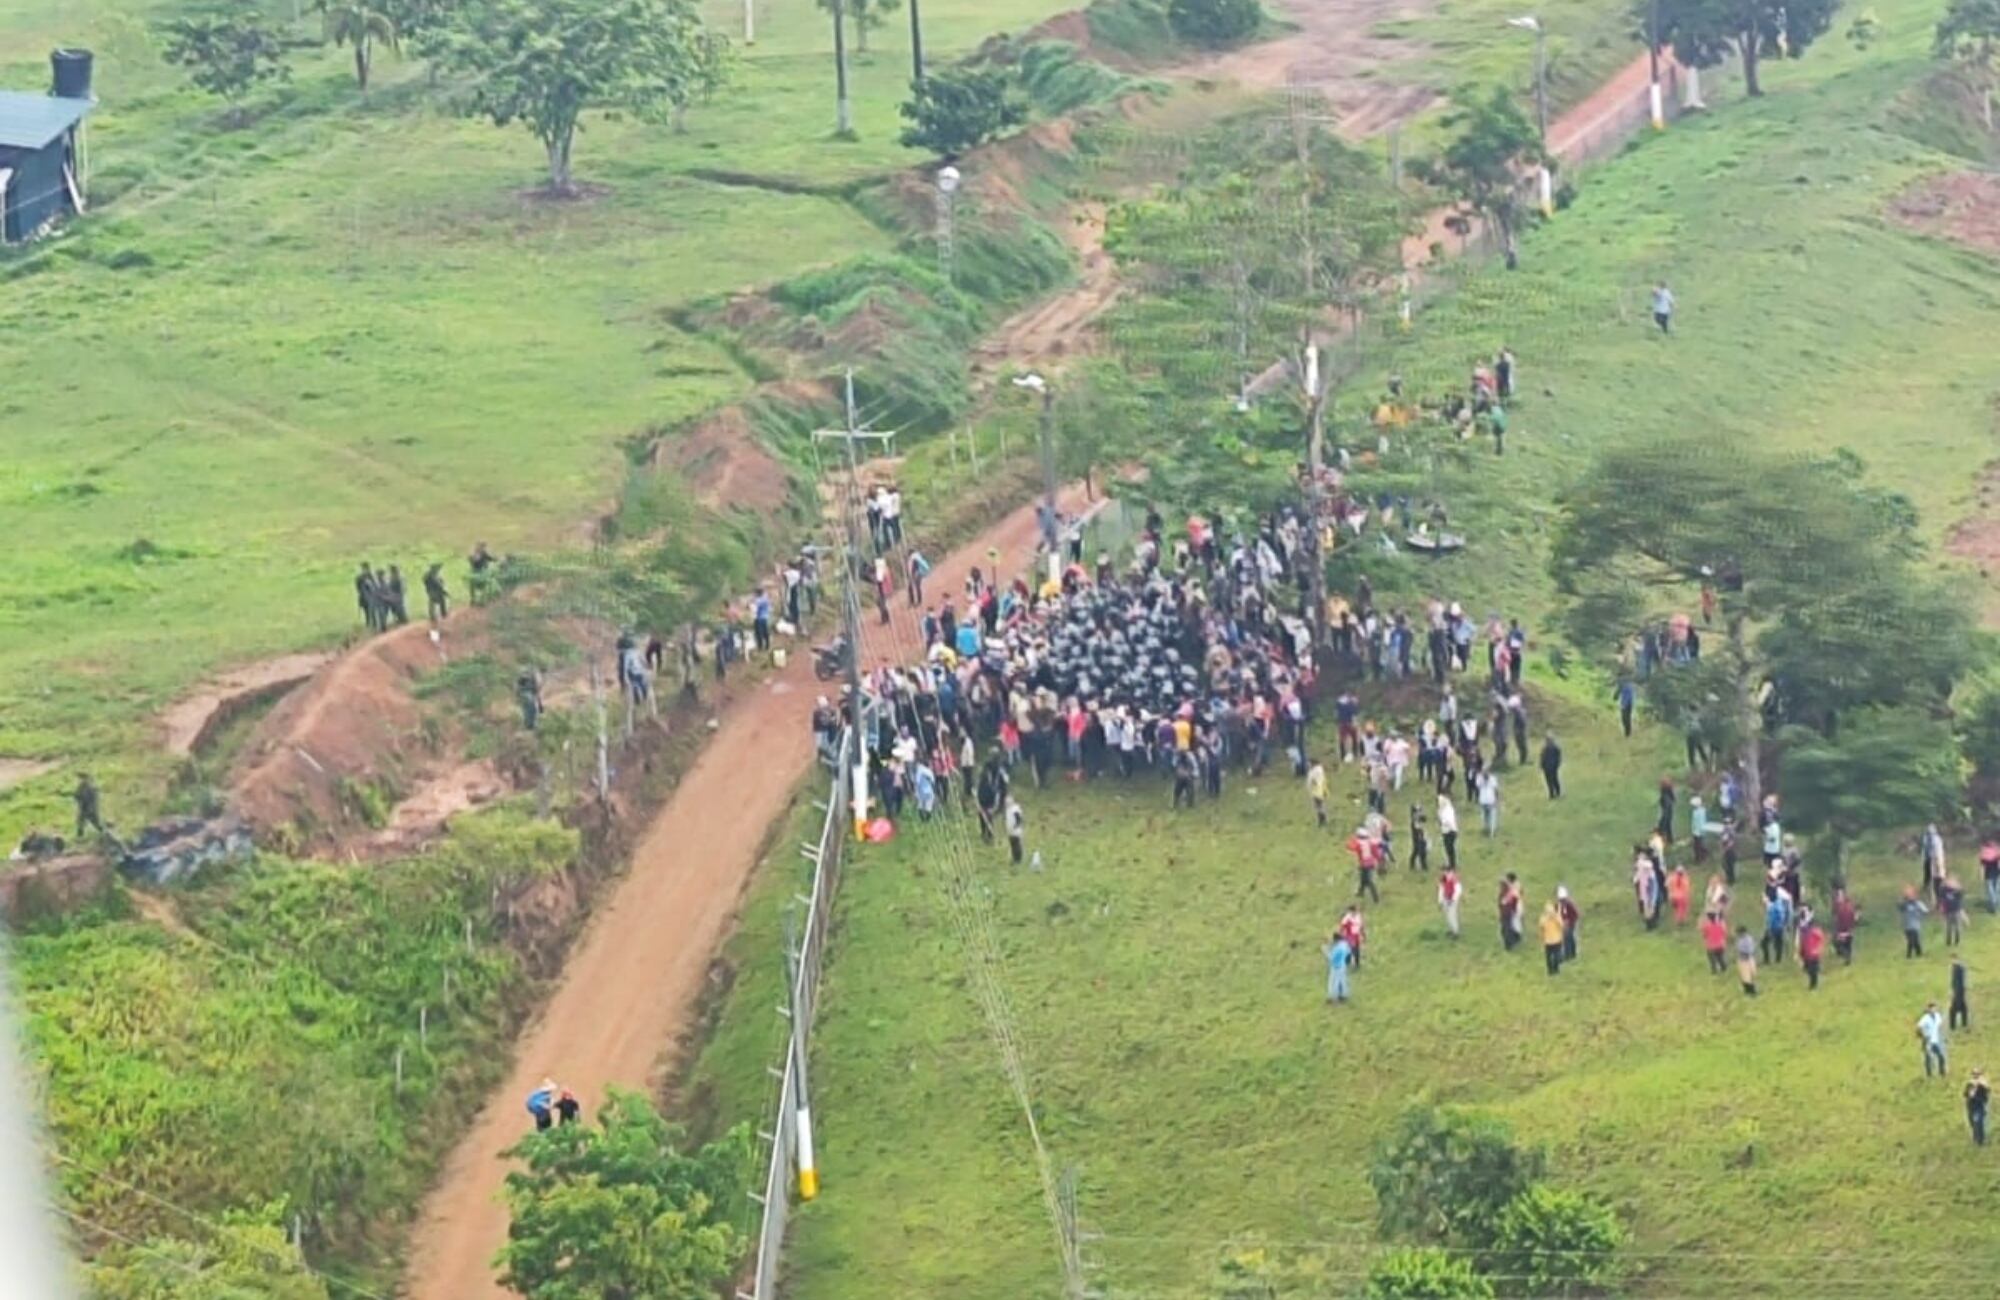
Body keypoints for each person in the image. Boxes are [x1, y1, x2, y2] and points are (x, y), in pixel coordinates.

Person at [1919, 1002, 1950, 1078]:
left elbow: (1939, 1026)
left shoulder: (1937, 1016)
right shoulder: (1925, 1018)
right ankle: (1929, 1075)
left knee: (1941, 1056)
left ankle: (1942, 1072)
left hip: (1935, 1041)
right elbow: (1918, 1027)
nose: (1933, 1010)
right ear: (1928, 1009)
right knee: (1928, 1058)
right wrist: (1923, 1036)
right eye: (1931, 1008)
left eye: (1934, 1008)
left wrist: (1943, 1037)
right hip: (1927, 1041)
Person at [72, 774, 105, 840]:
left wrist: (91, 808)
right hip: (83, 808)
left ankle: (104, 833)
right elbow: (77, 796)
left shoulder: (91, 788)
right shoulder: (81, 787)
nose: (80, 780)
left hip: (89, 808)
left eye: (82, 778)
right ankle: (79, 837)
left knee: (95, 823)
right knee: (81, 823)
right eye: (80, 778)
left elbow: (93, 799)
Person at [1325, 931, 1354, 1004]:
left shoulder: (1337, 948)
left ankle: (1333, 998)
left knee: (1334, 982)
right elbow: (1348, 952)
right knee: (1343, 981)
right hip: (1343, 965)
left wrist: (1325, 951)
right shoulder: (1344, 944)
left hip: (1336, 967)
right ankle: (1344, 995)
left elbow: (1331, 958)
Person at [1901, 887, 1930, 959]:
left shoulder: (1918, 903)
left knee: (1912, 940)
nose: (1911, 897)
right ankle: (1919, 954)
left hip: (1915, 925)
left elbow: (1925, 911)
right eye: (1909, 895)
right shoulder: (1905, 904)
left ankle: (1909, 955)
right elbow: (1900, 907)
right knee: (1915, 941)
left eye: (1912, 895)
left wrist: (1921, 913)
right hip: (1906, 925)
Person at [1832, 886, 1859, 964]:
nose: (1838, 897)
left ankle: (1847, 957)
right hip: (1845, 929)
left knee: (1843, 944)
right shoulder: (1841, 905)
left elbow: (1852, 916)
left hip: (1845, 929)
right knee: (1845, 944)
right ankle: (1847, 957)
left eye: (1840, 895)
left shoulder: (1845, 906)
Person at [1539, 901, 1566, 975]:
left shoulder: (1557, 917)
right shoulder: (1543, 919)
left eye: (1551, 911)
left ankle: (1556, 969)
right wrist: (1542, 939)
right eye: (1548, 912)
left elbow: (1562, 926)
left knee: (1557, 956)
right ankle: (1550, 971)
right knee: (1548, 958)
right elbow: (1541, 928)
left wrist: (1555, 918)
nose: (1550, 913)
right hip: (1548, 941)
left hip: (1557, 940)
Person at [1799, 918, 1826, 990]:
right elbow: (1820, 942)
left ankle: (1813, 985)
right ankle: (1814, 983)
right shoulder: (1809, 933)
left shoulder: (1809, 933)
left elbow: (1804, 944)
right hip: (1812, 954)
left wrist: (1802, 953)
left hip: (1811, 955)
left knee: (1811, 970)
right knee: (1811, 970)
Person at [1498, 874, 1523, 950]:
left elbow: (1509, 902)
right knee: (1506, 929)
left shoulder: (1509, 893)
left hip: (1507, 913)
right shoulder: (1505, 892)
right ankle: (1512, 941)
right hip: (1506, 913)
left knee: (1507, 929)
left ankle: (1510, 944)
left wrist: (1513, 909)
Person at [1966, 1069, 1991, 1146]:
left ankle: (1981, 1141)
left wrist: (1981, 1085)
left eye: (1977, 1074)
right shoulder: (1970, 1084)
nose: (1975, 1076)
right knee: (1972, 1123)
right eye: (1974, 1074)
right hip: (1971, 1107)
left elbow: (1987, 1092)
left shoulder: (1983, 1085)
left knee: (1978, 1122)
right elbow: (1966, 1095)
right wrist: (1971, 1091)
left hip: (1980, 1107)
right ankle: (1975, 1138)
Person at [1942, 875, 1967, 947]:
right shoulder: (1944, 890)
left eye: (1952, 882)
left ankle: (1957, 941)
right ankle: (1948, 942)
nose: (1950, 884)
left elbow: (1962, 893)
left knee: (1957, 927)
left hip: (1956, 911)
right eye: (1948, 882)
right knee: (1948, 928)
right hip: (1948, 911)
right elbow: (1941, 896)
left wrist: (1957, 887)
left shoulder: (1958, 891)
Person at [356, 562, 381, 633]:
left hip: (371, 597)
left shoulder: (371, 576)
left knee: (372, 612)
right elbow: (358, 589)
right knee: (366, 612)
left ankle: (374, 625)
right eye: (364, 569)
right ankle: (369, 624)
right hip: (364, 597)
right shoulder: (359, 578)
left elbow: (375, 586)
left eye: (366, 568)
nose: (365, 570)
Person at [1702, 911, 1730, 975]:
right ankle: (1724, 968)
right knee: (1721, 957)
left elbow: (1704, 935)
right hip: (1720, 944)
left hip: (1711, 946)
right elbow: (1724, 933)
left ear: (1709, 918)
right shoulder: (1720, 925)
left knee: (1712, 960)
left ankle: (1714, 971)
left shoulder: (1707, 926)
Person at [1438, 866, 1463, 938]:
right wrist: (1440, 901)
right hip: (1446, 899)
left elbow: (1458, 890)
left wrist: (1453, 899)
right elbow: (1441, 890)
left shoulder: (1454, 879)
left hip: (1452, 901)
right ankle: (1450, 930)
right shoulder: (1443, 879)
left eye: (1446, 871)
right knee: (1447, 916)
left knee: (1452, 916)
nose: (1445, 873)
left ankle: (1456, 932)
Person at [1438, 793, 1461, 869]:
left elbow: (1448, 821)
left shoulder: (1448, 809)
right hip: (1446, 831)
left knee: (1450, 848)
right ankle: (1449, 863)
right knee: (1447, 848)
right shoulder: (1443, 810)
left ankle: (1451, 864)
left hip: (1450, 831)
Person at [1557, 886, 1580, 961]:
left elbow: (1576, 914)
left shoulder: (1570, 904)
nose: (1562, 901)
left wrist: (1570, 922)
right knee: (1565, 939)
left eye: (1563, 899)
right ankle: (1567, 954)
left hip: (1572, 924)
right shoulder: (1559, 905)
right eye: (1561, 900)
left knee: (1572, 938)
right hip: (1564, 925)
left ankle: (1573, 954)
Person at [516, 668, 542, 732]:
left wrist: (540, 704)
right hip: (525, 694)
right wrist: (540, 705)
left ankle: (529, 725)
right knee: (530, 709)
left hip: (525, 694)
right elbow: (537, 692)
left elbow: (537, 692)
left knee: (529, 710)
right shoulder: (527, 679)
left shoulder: (532, 680)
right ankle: (529, 726)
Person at [1476, 768, 1500, 837]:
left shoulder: (1493, 779)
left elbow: (1496, 790)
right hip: (1483, 801)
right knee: (1484, 817)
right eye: (1484, 773)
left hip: (1491, 801)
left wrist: (1497, 800)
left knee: (1492, 817)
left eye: (1486, 773)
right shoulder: (1479, 779)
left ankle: (1492, 832)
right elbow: (1478, 786)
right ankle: (1486, 830)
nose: (1485, 775)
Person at [1736, 927, 1759, 996]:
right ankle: (1747, 990)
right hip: (1743, 959)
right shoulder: (1742, 939)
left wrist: (1743, 953)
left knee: (1748, 976)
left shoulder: (1747, 940)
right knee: (1744, 976)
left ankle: (1752, 991)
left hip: (1746, 959)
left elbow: (1749, 950)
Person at [1005, 795, 1026, 865]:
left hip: (1015, 831)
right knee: (1012, 845)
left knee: (1016, 845)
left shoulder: (1015, 809)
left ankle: (1018, 859)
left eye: (1008, 802)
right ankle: (1014, 858)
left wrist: (1015, 826)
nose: (1006, 803)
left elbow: (1018, 819)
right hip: (1010, 831)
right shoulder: (1008, 809)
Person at [1539, 734, 1562, 799]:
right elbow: (1542, 758)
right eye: (1547, 740)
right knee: (1549, 781)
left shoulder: (1556, 748)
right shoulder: (1544, 749)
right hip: (1547, 768)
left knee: (1555, 780)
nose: (1548, 742)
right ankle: (1551, 794)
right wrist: (1541, 765)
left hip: (1553, 767)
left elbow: (1558, 758)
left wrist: (1557, 765)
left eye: (1550, 740)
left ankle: (1558, 793)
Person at [1307, 759, 1328, 828]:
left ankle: (1322, 820)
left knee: (1319, 806)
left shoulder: (1317, 771)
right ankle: (1321, 820)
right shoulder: (1313, 771)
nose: (1308, 765)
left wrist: (1313, 782)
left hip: (1318, 791)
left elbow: (1317, 781)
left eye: (1309, 763)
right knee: (1318, 806)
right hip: (1316, 791)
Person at [1952, 957, 1971, 1031]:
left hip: (1958, 991)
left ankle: (1954, 1025)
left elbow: (1958, 981)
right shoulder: (1958, 968)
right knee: (1963, 1008)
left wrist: (1954, 991)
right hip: (1959, 991)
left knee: (1954, 1009)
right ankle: (1963, 1024)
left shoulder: (1958, 968)